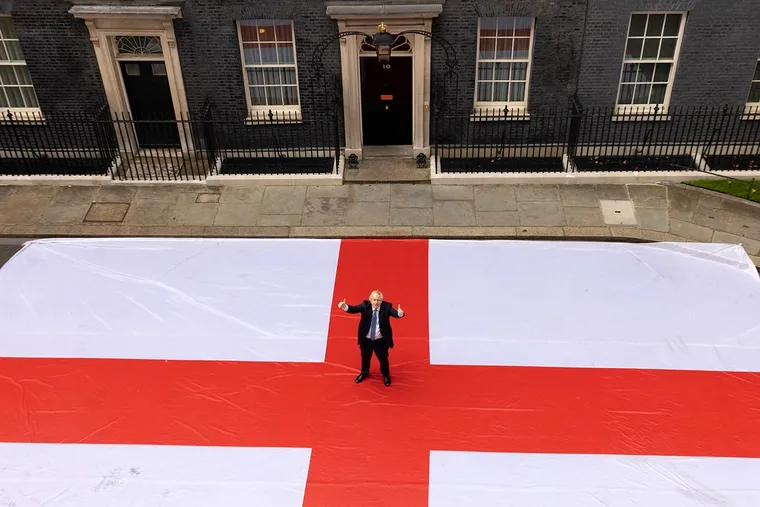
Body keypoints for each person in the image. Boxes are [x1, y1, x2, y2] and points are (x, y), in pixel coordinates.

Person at [337, 289, 404, 386]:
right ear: (370, 300)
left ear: (382, 301)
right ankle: (364, 372)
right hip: (366, 340)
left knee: (383, 359)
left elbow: (395, 313)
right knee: (365, 357)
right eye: (374, 300)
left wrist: (400, 313)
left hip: (380, 340)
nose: (376, 302)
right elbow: (353, 309)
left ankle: (386, 375)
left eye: (379, 300)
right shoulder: (365, 305)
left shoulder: (386, 307)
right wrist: (344, 306)